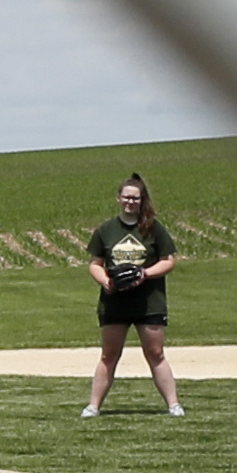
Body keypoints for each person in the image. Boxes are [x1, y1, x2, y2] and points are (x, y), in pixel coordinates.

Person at [78, 172, 183, 418]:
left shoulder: (153, 228)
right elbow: (95, 263)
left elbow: (169, 262)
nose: (130, 202)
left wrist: (144, 274)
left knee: (156, 354)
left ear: (141, 200)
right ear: (118, 199)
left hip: (149, 301)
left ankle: (173, 405)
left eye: (135, 198)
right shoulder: (106, 229)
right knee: (109, 355)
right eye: (126, 197)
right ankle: (93, 406)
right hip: (115, 301)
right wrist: (105, 280)